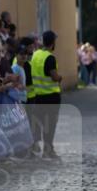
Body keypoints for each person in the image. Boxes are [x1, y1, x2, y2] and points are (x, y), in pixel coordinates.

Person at [30, 30, 62, 159]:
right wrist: (60, 77)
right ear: (53, 42)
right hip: (51, 96)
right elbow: (54, 76)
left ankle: (46, 149)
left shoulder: (36, 54)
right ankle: (48, 150)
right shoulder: (50, 57)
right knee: (51, 124)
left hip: (38, 95)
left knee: (43, 123)